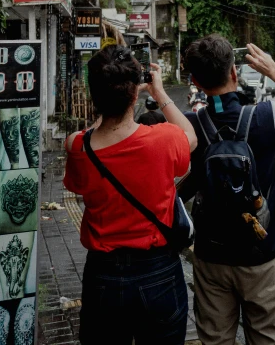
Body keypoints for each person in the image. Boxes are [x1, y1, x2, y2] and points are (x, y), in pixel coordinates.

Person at [179, 35, 275, 345]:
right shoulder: (267, 117)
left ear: (195, 81)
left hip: (211, 256)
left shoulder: (189, 127)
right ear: (234, 73)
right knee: (268, 338)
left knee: (215, 340)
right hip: (262, 255)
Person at [64, 45, 197, 345]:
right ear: (135, 94)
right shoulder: (164, 140)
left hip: (102, 277)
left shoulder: (77, 147)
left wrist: (106, 108)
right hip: (158, 273)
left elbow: (78, 180)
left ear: (92, 95)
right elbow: (191, 137)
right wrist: (159, 92)